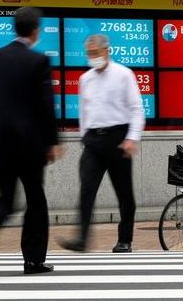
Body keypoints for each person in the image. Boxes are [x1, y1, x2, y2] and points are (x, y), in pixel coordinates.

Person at [0, 7, 62, 274]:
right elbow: (46, 106)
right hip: (30, 144)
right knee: (36, 201)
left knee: (6, 200)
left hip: (0, 142)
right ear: (35, 31)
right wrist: (52, 141)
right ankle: (33, 260)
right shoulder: (38, 61)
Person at [59, 34, 145, 253]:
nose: (92, 57)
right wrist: (84, 137)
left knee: (124, 193)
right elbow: (84, 112)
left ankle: (125, 240)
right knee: (86, 189)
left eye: (95, 53)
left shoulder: (124, 74)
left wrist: (131, 138)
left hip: (118, 139)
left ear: (107, 51)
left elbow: (136, 109)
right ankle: (82, 238)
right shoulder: (85, 79)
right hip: (93, 141)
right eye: (89, 54)